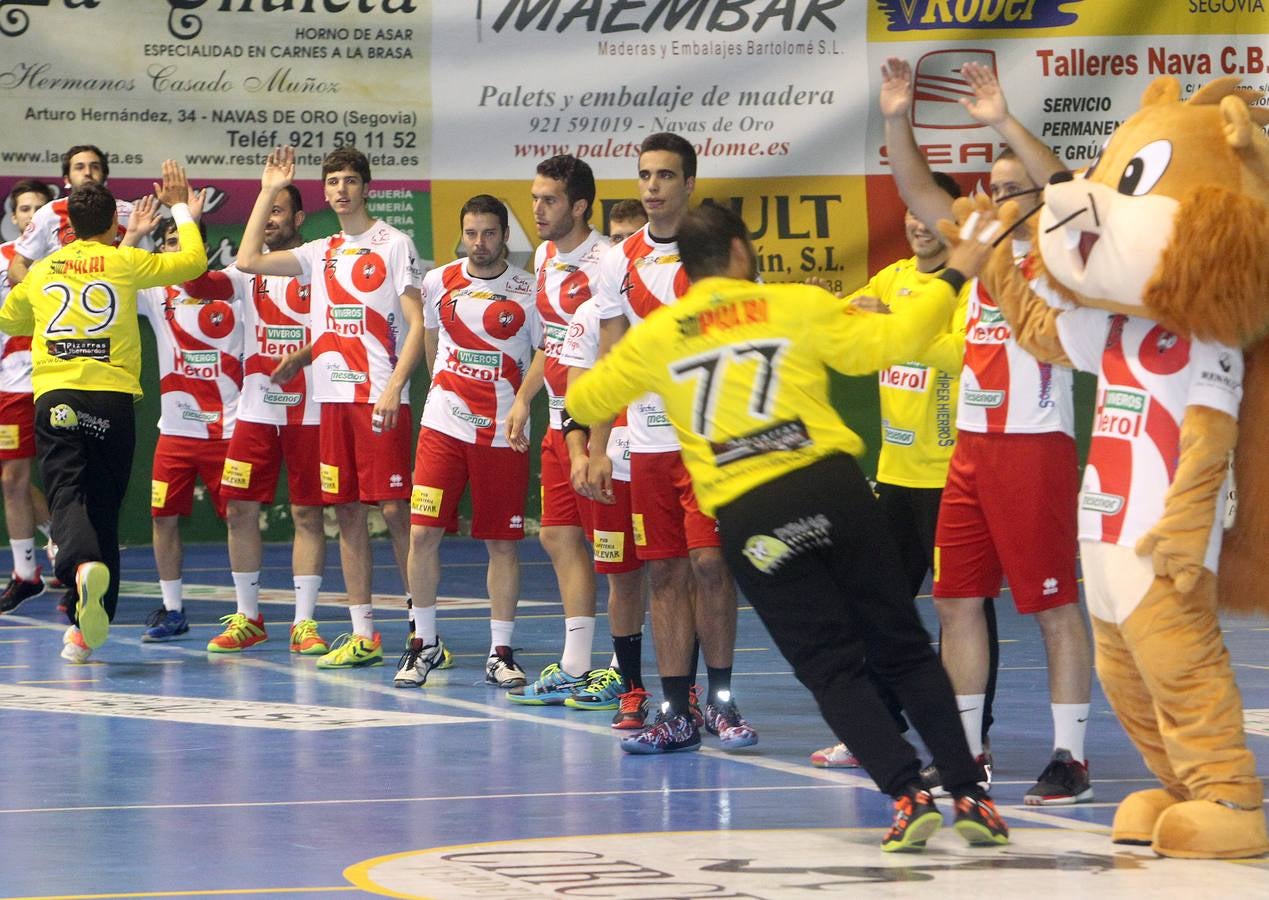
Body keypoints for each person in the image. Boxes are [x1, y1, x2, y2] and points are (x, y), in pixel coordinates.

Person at [567, 203, 1009, 851]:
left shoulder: (658, 335)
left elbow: (583, 397)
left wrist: (584, 447)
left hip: (752, 518)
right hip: (830, 488)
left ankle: (906, 794)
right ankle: (971, 797)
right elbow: (890, 345)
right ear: (742, 253)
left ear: (684, 270)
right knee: (903, 646)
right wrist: (953, 275)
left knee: (830, 668)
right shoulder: (792, 303)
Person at [881, 57, 1094, 804]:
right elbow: (915, 189)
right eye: (992, 191)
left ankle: (1069, 754)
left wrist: (1003, 121)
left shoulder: (1061, 257)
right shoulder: (976, 255)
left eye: (1011, 192)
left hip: (1033, 448)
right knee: (953, 601)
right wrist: (894, 116)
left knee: (1052, 604)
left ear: (1034, 200)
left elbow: (1067, 190)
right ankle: (965, 752)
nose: (997, 203)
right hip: (969, 451)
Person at [811, 173, 1000, 775]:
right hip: (892, 478)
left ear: (951, 221)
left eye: (929, 215)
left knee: (961, 608)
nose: (918, 224)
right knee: (877, 606)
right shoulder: (890, 279)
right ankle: (879, 728)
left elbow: (964, 354)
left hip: (953, 478)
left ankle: (974, 734)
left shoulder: (972, 286)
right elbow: (849, 329)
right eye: (911, 215)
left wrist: (897, 327)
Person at [587, 132, 756, 751]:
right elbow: (609, 355)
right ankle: (676, 709)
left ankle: (722, 701)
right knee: (662, 573)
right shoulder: (616, 260)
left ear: (689, 184)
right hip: (648, 441)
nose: (652, 186)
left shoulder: (715, 249)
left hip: (713, 442)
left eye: (665, 176)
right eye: (644, 175)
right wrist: (600, 444)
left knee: (711, 564)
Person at [0, 164, 207, 661]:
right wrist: (179, 205)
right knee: (105, 508)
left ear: (65, 221)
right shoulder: (124, 263)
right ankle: (89, 630)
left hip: (57, 397)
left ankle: (77, 567)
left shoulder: (47, 267)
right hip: (112, 400)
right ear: (115, 226)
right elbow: (194, 261)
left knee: (67, 493)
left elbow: (11, 317)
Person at [237, 146, 424, 670]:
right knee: (345, 513)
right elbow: (247, 260)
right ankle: (364, 632)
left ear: (367, 187)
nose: (341, 188)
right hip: (331, 401)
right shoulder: (321, 251)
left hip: (378, 396)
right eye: (333, 181)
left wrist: (393, 388)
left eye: (350, 180)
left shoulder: (394, 243)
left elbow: (416, 325)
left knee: (394, 512)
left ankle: (422, 630)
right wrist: (269, 189)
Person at [395, 195, 540, 689]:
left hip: (504, 433)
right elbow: (433, 343)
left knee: (502, 543)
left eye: (490, 234)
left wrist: (521, 400)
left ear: (505, 236)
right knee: (421, 534)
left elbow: (544, 351)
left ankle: (501, 653)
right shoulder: (438, 281)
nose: (480, 244)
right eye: (471, 234)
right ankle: (424, 644)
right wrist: (443, 387)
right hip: (443, 427)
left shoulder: (529, 289)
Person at [176, 185, 329, 654]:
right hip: (257, 409)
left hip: (312, 410)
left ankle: (304, 623)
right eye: (265, 210)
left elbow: (348, 328)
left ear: (300, 219)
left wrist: (304, 358)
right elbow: (196, 285)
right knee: (239, 508)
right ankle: (249, 616)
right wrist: (185, 215)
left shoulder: (319, 266)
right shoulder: (247, 271)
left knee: (307, 512)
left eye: (279, 210)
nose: (269, 219)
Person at [503, 155, 616, 703]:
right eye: (534, 198)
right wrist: (525, 398)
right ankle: (575, 663)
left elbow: (616, 354)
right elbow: (551, 341)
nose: (537, 209)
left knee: (613, 546)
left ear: (579, 206)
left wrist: (600, 438)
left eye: (548, 200)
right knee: (557, 535)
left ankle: (624, 664)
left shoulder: (610, 262)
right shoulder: (545, 256)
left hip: (602, 425)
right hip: (558, 419)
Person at [130, 217, 243, 644]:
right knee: (163, 518)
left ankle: (243, 613)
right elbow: (113, 271)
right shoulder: (155, 291)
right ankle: (173, 609)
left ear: (203, 248)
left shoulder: (234, 287)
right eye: (170, 242)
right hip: (175, 433)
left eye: (185, 242)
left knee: (238, 519)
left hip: (228, 431)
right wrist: (136, 235)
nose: (177, 248)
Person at [0, 178, 56, 613]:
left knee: (70, 482)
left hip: (65, 382)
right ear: (14, 216)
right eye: (24, 209)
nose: (30, 215)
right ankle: (26, 573)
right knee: (12, 479)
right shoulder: (1, 262)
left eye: (39, 208)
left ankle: (74, 556)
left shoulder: (72, 261)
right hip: (14, 388)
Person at [6, 145, 149, 286]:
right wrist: (43, 292)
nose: (87, 172)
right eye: (79, 167)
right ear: (67, 179)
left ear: (105, 176)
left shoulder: (129, 212)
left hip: (119, 302)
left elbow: (146, 266)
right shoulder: (49, 213)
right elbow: (17, 267)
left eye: (95, 167)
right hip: (62, 304)